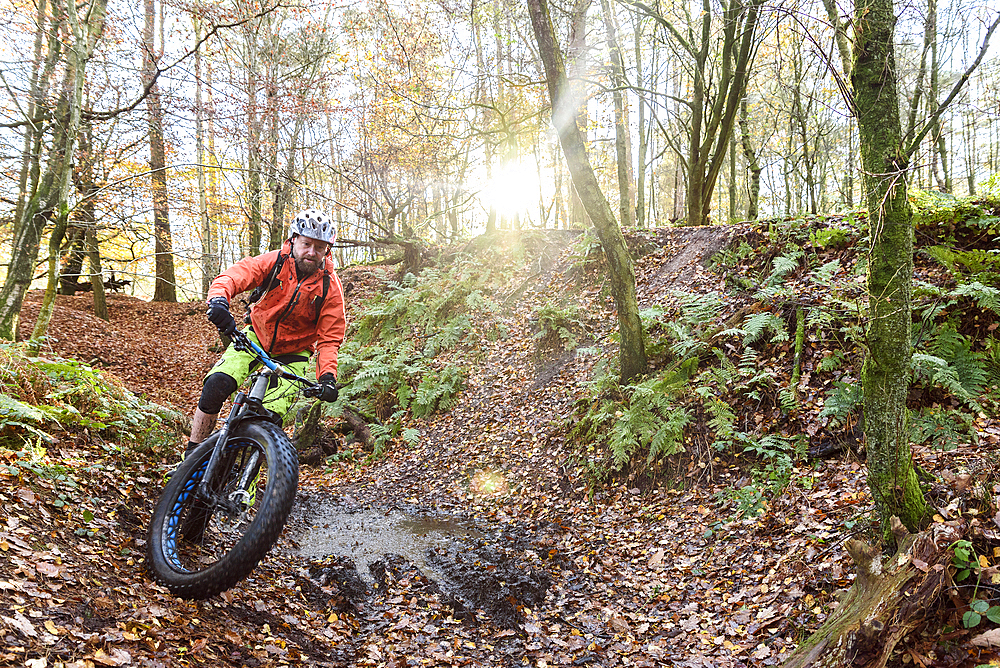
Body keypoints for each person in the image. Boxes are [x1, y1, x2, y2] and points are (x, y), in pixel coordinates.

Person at [187, 208, 346, 455]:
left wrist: (327, 377)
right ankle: (191, 457)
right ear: (294, 239)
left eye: (319, 247)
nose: (311, 253)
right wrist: (218, 300)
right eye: (306, 244)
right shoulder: (274, 262)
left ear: (328, 250)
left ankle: (242, 486)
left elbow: (329, 338)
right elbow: (234, 276)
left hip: (294, 355)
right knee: (216, 385)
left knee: (267, 421)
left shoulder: (330, 287)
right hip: (254, 338)